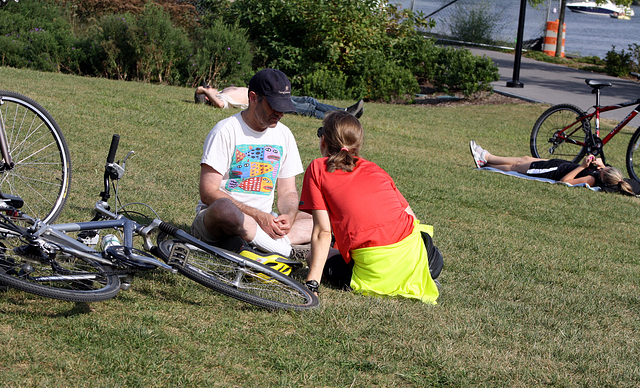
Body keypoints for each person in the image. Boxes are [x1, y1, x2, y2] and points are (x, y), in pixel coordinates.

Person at [298, 110, 442, 303]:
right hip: (414, 254)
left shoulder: (317, 168)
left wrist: (312, 285)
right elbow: (411, 217)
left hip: (374, 267)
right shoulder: (375, 169)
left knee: (311, 257)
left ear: (323, 140)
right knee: (433, 257)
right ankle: (423, 272)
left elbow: (322, 232)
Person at [191, 69, 313, 259]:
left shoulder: (284, 134)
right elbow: (208, 192)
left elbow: (288, 191)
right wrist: (257, 216)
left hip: (264, 220)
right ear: (254, 98)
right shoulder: (225, 130)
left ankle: (254, 244)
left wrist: (288, 216)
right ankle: (283, 250)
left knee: (320, 221)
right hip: (222, 218)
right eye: (274, 106)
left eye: (283, 106)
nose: (280, 113)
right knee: (225, 209)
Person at [469, 140, 638, 195]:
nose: (601, 168)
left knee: (517, 166)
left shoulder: (592, 178)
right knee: (526, 158)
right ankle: (487, 161)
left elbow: (566, 182)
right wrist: (600, 165)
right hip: (559, 164)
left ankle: (487, 159)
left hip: (554, 172)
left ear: (602, 178)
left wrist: (582, 166)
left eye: (602, 170)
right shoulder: (603, 174)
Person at [194, 85, 364, 119]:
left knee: (309, 100)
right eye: (208, 88)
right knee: (308, 109)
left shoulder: (224, 91)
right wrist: (202, 91)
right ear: (208, 97)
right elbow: (220, 105)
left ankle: (345, 110)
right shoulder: (222, 99)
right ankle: (345, 117)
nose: (211, 86)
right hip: (268, 101)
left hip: (271, 94)